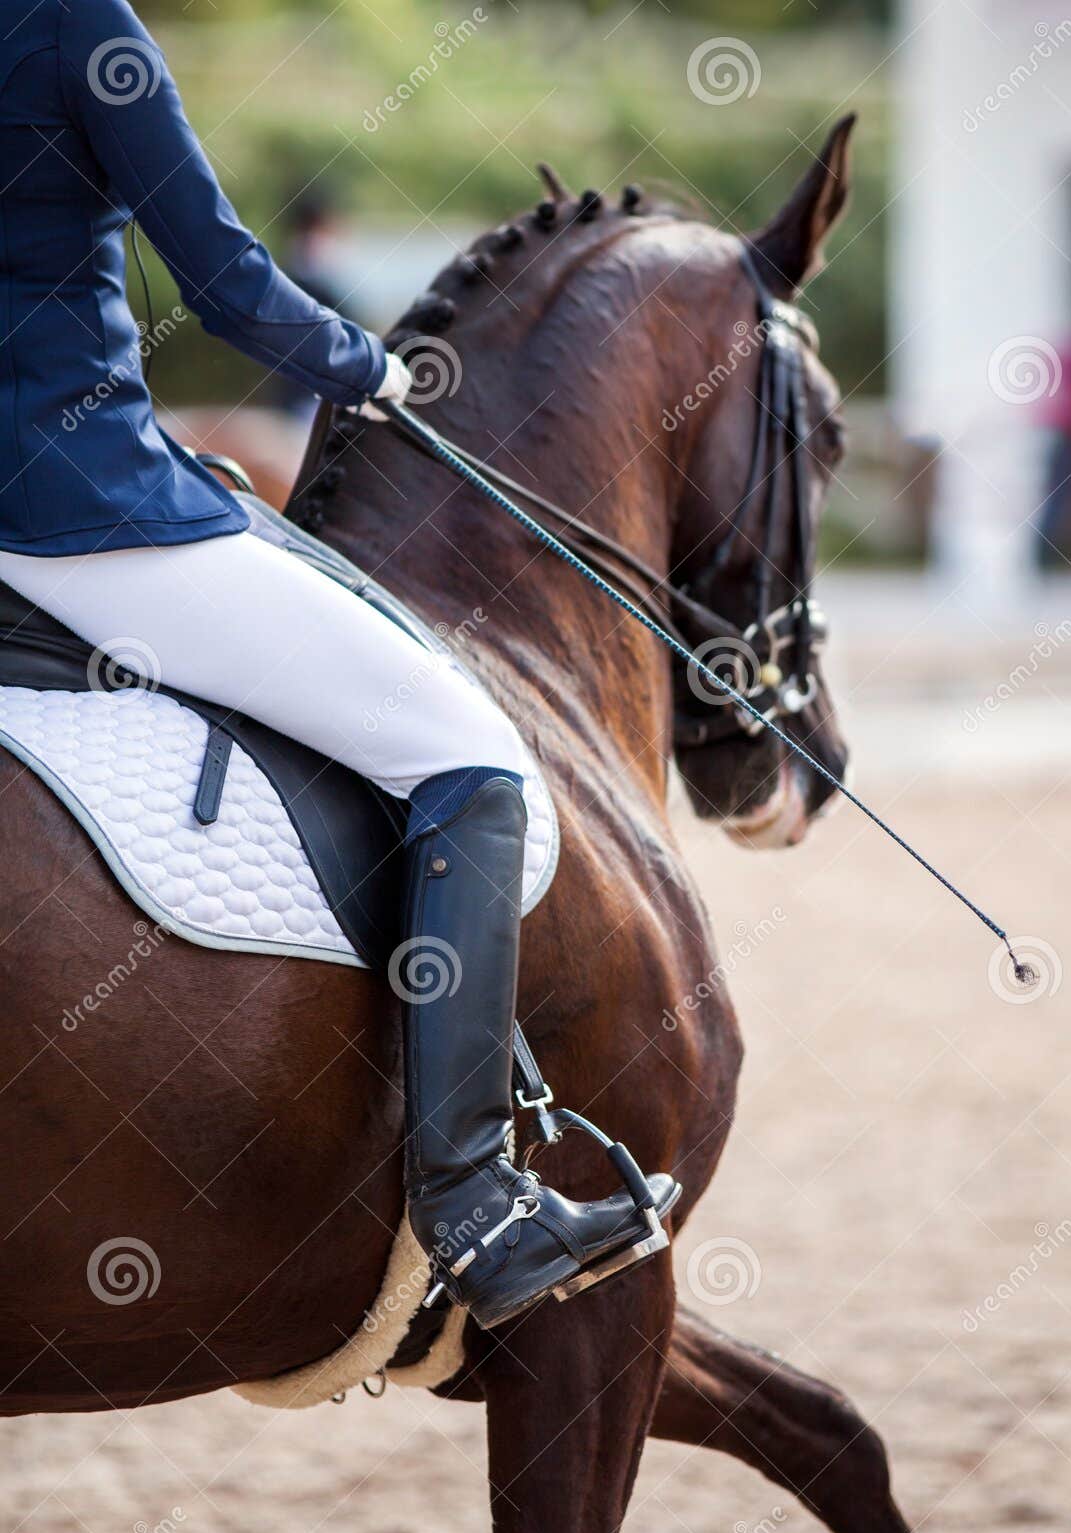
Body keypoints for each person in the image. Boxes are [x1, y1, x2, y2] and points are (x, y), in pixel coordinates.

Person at [0, 0, 677, 1329]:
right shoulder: (81, 23)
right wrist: (364, 368)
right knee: (469, 757)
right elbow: (216, 273)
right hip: (76, 517)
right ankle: (477, 1199)